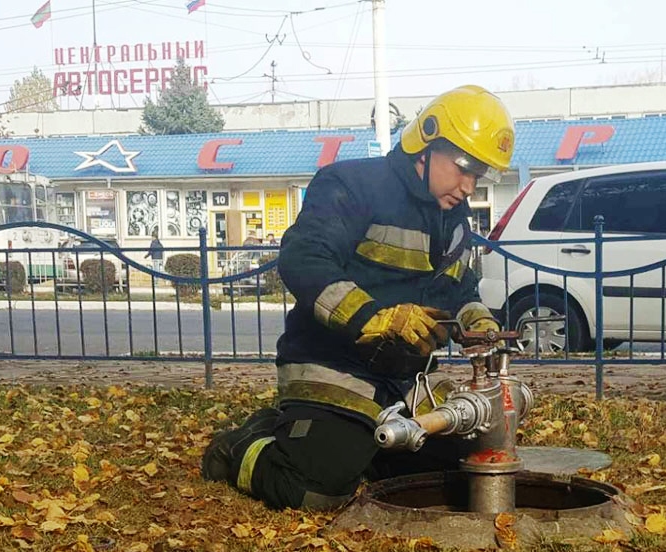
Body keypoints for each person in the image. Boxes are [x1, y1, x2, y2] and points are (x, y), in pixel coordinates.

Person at [201, 85, 513, 510]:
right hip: (333, 369)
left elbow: (459, 290)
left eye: (479, 175)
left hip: (407, 381)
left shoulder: (454, 221)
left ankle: (366, 449)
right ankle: (243, 446)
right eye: (464, 168)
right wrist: (371, 318)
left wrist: (478, 320)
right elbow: (304, 258)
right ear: (426, 142)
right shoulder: (352, 184)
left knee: (464, 465)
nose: (469, 186)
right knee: (318, 490)